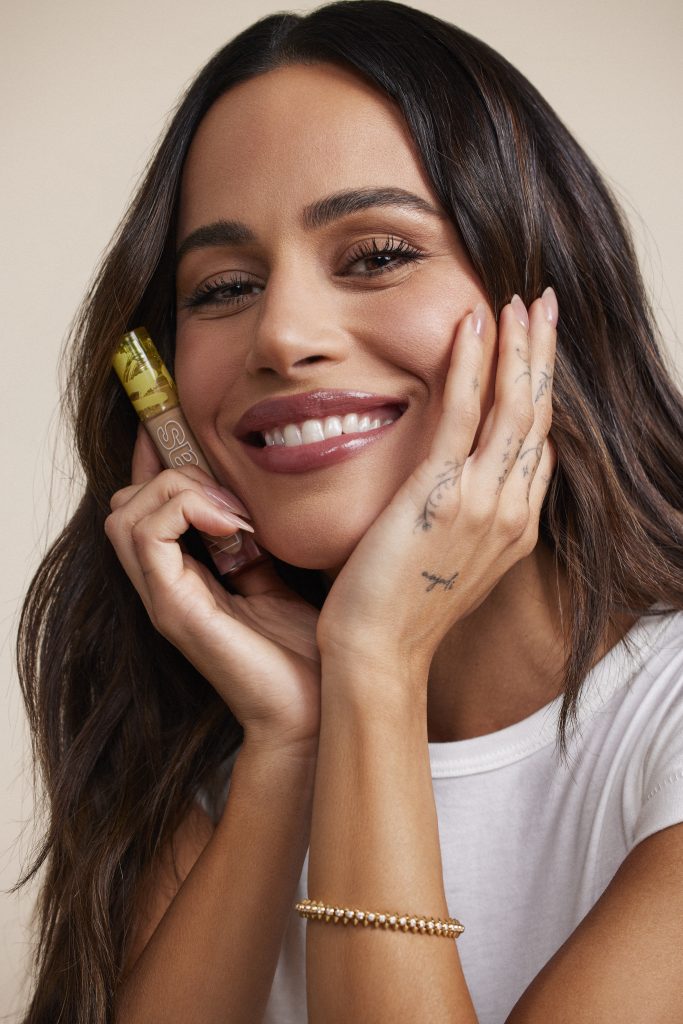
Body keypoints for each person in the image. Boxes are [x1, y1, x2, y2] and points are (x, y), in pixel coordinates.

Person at [14, 1, 683, 1021]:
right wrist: (292, 737)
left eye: (376, 255)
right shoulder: (208, 749)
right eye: (222, 287)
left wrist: (374, 660)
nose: (282, 335)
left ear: (549, 296)